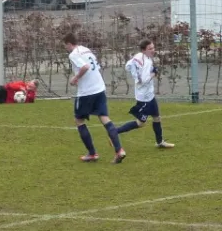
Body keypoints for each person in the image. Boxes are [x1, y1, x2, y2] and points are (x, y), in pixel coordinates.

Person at [63, 32, 126, 164]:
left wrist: (75, 78)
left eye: (66, 46)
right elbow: (94, 66)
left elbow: (85, 67)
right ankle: (119, 150)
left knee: (79, 120)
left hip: (87, 92)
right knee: (104, 117)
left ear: (69, 44)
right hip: (99, 87)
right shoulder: (86, 50)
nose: (66, 49)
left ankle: (92, 154)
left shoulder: (73, 54)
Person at [117, 39, 175, 148]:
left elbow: (128, 66)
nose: (153, 50)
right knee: (140, 123)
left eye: (153, 48)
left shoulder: (138, 56)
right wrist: (154, 73)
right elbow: (144, 80)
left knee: (157, 117)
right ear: (144, 50)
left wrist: (135, 74)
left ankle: (159, 142)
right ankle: (114, 132)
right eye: (150, 49)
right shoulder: (147, 62)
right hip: (144, 98)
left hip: (149, 95)